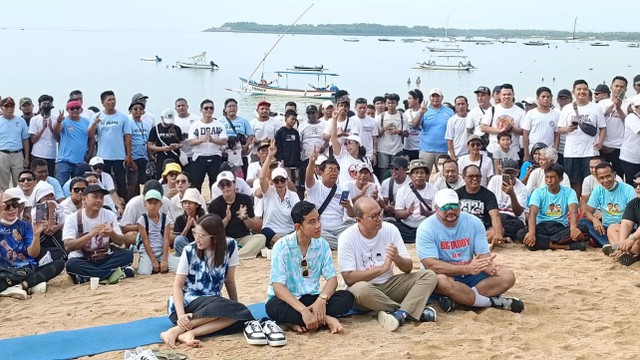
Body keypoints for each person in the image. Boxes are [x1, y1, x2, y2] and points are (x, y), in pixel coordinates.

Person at [161, 214, 268, 348]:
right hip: (186, 304)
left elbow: (229, 281)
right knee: (231, 309)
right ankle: (177, 329)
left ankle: (190, 333)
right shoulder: (189, 250)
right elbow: (177, 286)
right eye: (195, 233)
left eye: (202, 235)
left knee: (242, 314)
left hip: (213, 305)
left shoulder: (230, 246)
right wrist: (181, 316)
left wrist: (234, 307)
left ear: (215, 237)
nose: (197, 239)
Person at [416, 188, 524, 313]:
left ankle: (459, 299)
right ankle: (490, 302)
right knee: (440, 280)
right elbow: (431, 265)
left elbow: (483, 255)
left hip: (468, 273)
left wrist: (488, 265)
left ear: (460, 206)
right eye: (445, 207)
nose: (450, 210)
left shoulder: (473, 222)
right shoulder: (426, 227)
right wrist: (467, 269)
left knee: (507, 276)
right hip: (446, 274)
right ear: (436, 208)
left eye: (454, 206)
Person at [338, 197, 438, 331]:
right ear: (359, 220)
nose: (379, 218)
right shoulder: (347, 237)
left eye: (380, 213)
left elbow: (408, 268)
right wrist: (382, 268)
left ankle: (400, 313)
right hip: (365, 292)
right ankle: (405, 310)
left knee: (429, 275)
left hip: (389, 285)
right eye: (373, 216)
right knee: (361, 289)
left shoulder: (390, 229)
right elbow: (349, 278)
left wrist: (397, 258)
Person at [265, 201, 355, 334]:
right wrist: (304, 310)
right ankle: (326, 319)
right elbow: (278, 287)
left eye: (318, 219)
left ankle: (295, 321)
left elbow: (332, 279)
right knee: (272, 307)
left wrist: (322, 300)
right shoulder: (282, 246)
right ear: (298, 227)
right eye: (311, 222)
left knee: (347, 298)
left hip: (312, 297)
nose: (318, 225)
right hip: (289, 300)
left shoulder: (322, 244)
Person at [63, 185, 134, 284]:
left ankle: (89, 277)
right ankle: (112, 274)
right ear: (84, 199)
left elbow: (121, 241)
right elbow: (68, 246)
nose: (99, 200)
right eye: (95, 197)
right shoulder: (72, 218)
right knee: (71, 264)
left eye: (101, 197)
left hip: (105, 257)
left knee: (127, 255)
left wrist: (112, 233)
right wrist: (90, 235)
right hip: (83, 259)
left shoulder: (109, 215)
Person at [0, 191, 65, 299]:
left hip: (26, 268)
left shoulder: (25, 226)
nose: (12, 209)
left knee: (59, 264)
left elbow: (33, 254)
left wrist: (36, 235)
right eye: (7, 206)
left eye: (15, 204)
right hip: (4, 270)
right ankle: (31, 284)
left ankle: (21, 286)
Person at [556, 79, 606, 198]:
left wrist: (600, 142)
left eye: (584, 89)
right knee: (574, 181)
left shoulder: (596, 108)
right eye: (579, 89)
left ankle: (590, 206)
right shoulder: (567, 108)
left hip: (590, 151)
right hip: (571, 152)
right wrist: (568, 129)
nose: (582, 91)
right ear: (573, 91)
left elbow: (603, 128)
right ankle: (577, 206)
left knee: (592, 180)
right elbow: (559, 129)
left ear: (588, 91)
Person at [522, 164, 589, 251]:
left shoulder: (569, 192)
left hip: (560, 228)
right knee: (521, 233)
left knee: (584, 229)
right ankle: (565, 246)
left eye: (552, 177)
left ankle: (544, 243)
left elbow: (574, 212)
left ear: (560, 178)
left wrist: (573, 228)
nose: (549, 180)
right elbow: (532, 213)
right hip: (541, 227)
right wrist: (532, 232)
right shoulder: (538, 192)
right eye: (547, 177)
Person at [88, 90, 134, 201]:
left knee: (121, 182)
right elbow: (90, 134)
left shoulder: (122, 117)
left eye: (114, 99)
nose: (112, 102)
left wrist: (129, 155)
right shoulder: (97, 116)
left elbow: (127, 137)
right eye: (109, 100)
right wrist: (95, 123)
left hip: (118, 156)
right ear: (103, 102)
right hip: (103, 157)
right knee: (104, 183)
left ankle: (123, 205)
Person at [208, 171, 265, 259]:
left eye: (228, 184)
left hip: (243, 237)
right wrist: (226, 219)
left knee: (261, 238)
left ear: (234, 184)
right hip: (225, 238)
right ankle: (239, 254)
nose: (226, 188)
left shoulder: (245, 199)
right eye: (222, 185)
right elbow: (214, 231)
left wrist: (245, 218)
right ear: (219, 187)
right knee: (215, 242)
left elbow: (252, 226)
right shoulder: (214, 205)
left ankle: (236, 256)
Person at [304, 150, 354, 249]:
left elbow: (351, 214)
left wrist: (348, 207)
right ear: (321, 172)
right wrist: (312, 162)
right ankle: (342, 244)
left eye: (336, 170)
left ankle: (336, 243)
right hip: (322, 229)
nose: (334, 172)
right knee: (315, 235)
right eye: (330, 169)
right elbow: (308, 177)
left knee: (357, 228)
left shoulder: (343, 189)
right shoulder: (315, 186)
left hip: (340, 227)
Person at [578, 162, 634, 250]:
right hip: (604, 228)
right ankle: (610, 244)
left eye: (608, 176)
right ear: (597, 178)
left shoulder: (628, 189)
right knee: (582, 222)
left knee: (617, 228)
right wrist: (594, 220)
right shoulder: (598, 190)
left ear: (614, 175)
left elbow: (633, 214)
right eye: (601, 178)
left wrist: (622, 226)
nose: (605, 180)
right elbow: (587, 212)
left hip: (624, 227)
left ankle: (611, 244)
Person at [259, 141, 300, 248]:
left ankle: (282, 244)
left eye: (282, 180)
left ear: (287, 180)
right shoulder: (269, 192)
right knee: (266, 232)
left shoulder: (293, 196)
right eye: (276, 180)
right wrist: (269, 156)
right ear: (272, 182)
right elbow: (262, 178)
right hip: (271, 231)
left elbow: (298, 215)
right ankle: (285, 244)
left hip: (289, 231)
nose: (280, 183)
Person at [457, 164, 504, 249]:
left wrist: (498, 233)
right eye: (471, 176)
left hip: (482, 230)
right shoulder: (456, 194)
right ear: (464, 177)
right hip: (461, 229)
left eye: (478, 176)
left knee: (497, 230)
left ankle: (468, 244)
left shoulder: (489, 195)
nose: (475, 179)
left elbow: (495, 215)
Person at [188, 99, 228, 193]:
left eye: (211, 108)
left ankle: (214, 205)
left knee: (215, 184)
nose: (209, 110)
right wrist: (202, 140)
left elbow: (224, 140)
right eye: (206, 108)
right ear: (201, 110)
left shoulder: (219, 125)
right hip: (199, 156)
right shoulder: (195, 125)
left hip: (215, 156)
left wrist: (213, 140)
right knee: (196, 184)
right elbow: (190, 141)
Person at [393, 159, 437, 243]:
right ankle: (418, 239)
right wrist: (408, 212)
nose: (419, 175)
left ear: (426, 175)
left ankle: (420, 238)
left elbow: (437, 213)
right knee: (392, 227)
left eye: (422, 173)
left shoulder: (433, 189)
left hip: (426, 226)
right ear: (410, 175)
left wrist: (426, 213)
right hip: (407, 227)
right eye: (416, 173)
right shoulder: (402, 190)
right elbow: (398, 214)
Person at [137, 189, 178, 275]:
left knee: (176, 268)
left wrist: (164, 260)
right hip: (147, 251)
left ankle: (172, 259)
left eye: (155, 203)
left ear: (161, 205)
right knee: (145, 272)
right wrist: (154, 260)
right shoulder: (142, 220)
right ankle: (145, 260)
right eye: (150, 203)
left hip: (162, 250)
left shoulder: (165, 219)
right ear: (145, 204)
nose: (152, 206)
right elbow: (145, 241)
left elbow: (166, 239)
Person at [486, 159, 528, 243]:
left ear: (517, 173)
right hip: (495, 215)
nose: (509, 175)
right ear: (501, 171)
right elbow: (488, 202)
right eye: (506, 172)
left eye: (512, 173)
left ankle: (495, 234)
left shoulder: (522, 188)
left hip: (511, 218)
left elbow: (518, 213)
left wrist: (512, 195)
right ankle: (501, 236)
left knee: (517, 227)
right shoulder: (495, 180)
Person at [121, 180, 173, 247]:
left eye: (156, 201)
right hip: (141, 234)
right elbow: (124, 228)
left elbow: (172, 225)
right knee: (129, 236)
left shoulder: (166, 201)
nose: (153, 204)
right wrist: (143, 226)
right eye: (150, 201)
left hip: (161, 234)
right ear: (144, 195)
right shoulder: (134, 203)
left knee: (173, 236)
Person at [413, 88, 454, 172]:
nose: (435, 98)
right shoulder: (424, 110)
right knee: (424, 174)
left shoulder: (449, 112)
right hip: (426, 150)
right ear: (429, 98)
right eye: (433, 96)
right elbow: (415, 125)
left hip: (444, 150)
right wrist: (421, 113)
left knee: (443, 175)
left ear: (442, 98)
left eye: (437, 96)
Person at [53, 100, 93, 185]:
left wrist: (90, 154)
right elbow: (56, 131)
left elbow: (91, 137)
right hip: (65, 161)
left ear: (81, 109)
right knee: (62, 185)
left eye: (77, 108)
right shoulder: (64, 121)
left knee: (80, 186)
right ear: (67, 110)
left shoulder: (86, 122)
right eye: (72, 108)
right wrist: (58, 121)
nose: (75, 110)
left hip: (80, 161)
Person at [480, 84, 524, 159]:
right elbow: (483, 127)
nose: (506, 97)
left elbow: (523, 131)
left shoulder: (520, 111)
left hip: (513, 150)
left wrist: (511, 128)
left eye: (509, 94)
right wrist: (500, 130)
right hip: (494, 149)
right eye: (504, 94)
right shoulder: (492, 109)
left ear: (513, 95)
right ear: (499, 95)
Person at [599, 76, 629, 177]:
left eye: (622, 87)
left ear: (626, 89)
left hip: (619, 146)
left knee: (618, 176)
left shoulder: (629, 104)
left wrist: (619, 108)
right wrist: (613, 106)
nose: (619, 89)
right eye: (616, 86)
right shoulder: (602, 103)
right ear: (611, 87)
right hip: (602, 145)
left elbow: (628, 123)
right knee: (602, 176)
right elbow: (598, 120)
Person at [521, 87, 559, 163]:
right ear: (537, 98)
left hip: (548, 153)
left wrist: (554, 150)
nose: (546, 99)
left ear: (551, 98)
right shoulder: (531, 114)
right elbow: (525, 134)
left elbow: (557, 134)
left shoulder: (555, 115)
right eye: (543, 97)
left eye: (548, 97)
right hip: (533, 152)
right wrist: (526, 153)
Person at [0, 97, 30, 191]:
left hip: (17, 154)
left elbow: (25, 140)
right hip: (3, 154)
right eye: (7, 106)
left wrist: (26, 158)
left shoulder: (20, 121)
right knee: (3, 183)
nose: (9, 109)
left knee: (19, 182)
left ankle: (19, 203)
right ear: (1, 108)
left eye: (11, 106)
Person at [221, 98, 254, 178]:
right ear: (225, 109)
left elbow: (251, 135)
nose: (232, 108)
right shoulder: (220, 121)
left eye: (234, 106)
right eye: (229, 106)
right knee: (226, 176)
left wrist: (246, 146)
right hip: (226, 153)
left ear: (237, 108)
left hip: (240, 152)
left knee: (242, 175)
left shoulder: (243, 121)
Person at [376, 93, 407, 178]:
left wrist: (398, 132)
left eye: (393, 103)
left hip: (397, 149)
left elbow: (407, 134)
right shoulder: (381, 117)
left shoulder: (402, 116)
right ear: (386, 103)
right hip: (383, 149)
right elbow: (376, 134)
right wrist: (384, 129)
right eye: (388, 103)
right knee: (384, 171)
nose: (390, 105)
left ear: (397, 104)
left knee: (397, 170)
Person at [28, 95, 58, 177]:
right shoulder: (34, 119)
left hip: (51, 154)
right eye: (44, 104)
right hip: (38, 153)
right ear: (39, 105)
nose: (47, 106)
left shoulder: (55, 119)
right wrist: (43, 128)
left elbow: (58, 138)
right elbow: (33, 140)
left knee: (50, 177)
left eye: (49, 104)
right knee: (36, 176)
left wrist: (51, 128)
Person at [127, 100, 151, 199]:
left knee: (143, 182)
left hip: (144, 157)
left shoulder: (145, 125)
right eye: (135, 109)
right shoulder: (129, 123)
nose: (138, 111)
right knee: (132, 183)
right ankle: (130, 202)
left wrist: (151, 157)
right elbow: (127, 141)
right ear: (130, 111)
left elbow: (148, 142)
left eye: (140, 109)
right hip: (133, 157)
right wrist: (129, 158)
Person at [173, 188, 206, 256]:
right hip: (185, 247)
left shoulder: (204, 218)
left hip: (201, 246)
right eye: (185, 203)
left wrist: (197, 228)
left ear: (196, 205)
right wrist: (187, 228)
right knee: (179, 239)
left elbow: (206, 237)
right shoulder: (179, 219)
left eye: (190, 203)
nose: (187, 205)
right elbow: (177, 241)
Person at [617, 171, 640, 266]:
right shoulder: (633, 203)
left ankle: (629, 251)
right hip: (637, 234)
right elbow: (626, 224)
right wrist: (623, 244)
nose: (638, 188)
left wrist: (631, 238)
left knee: (637, 244)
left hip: (637, 236)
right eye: (636, 184)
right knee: (612, 228)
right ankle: (622, 251)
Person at [173, 98, 200, 175]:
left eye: (183, 105)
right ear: (176, 108)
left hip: (193, 153)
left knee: (193, 177)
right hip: (179, 153)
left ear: (187, 106)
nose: (181, 107)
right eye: (179, 106)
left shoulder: (196, 119)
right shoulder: (173, 120)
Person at [274, 109, 302, 179]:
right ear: (286, 119)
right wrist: (280, 159)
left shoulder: (296, 132)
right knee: (287, 181)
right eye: (292, 119)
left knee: (296, 183)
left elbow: (298, 147)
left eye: (295, 120)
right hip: (284, 163)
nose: (294, 121)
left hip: (295, 163)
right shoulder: (280, 132)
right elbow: (277, 147)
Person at [620, 95, 640, 186]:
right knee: (632, 185)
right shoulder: (631, 117)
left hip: (637, 158)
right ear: (636, 107)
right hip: (630, 159)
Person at [445, 95, 470, 161]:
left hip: (469, 155)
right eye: (458, 104)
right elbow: (449, 139)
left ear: (467, 105)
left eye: (463, 104)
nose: (461, 106)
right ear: (455, 107)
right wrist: (453, 156)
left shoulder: (471, 117)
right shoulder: (452, 120)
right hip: (456, 155)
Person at [403, 89, 424, 160]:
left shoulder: (424, 112)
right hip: (407, 147)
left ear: (417, 99)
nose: (408, 100)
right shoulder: (407, 112)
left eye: (410, 98)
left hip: (419, 147)